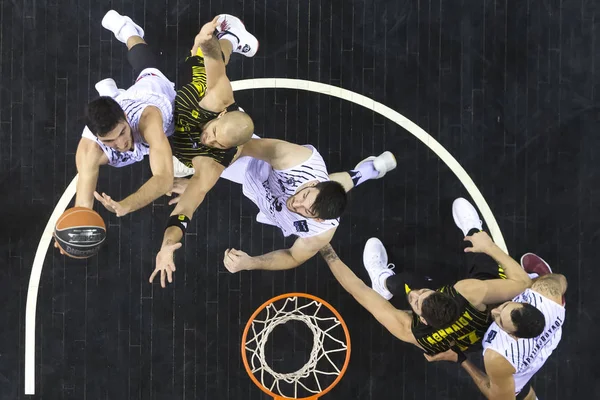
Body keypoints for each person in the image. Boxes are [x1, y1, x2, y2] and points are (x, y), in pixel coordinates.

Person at [149, 135, 397, 287]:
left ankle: (364, 172)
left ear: (317, 218)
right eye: (304, 197)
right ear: (311, 184)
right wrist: (199, 181)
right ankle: (365, 171)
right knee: (188, 158)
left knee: (334, 190)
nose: (296, 204)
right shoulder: (296, 160)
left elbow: (293, 257)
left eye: (306, 211)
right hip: (253, 169)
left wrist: (251, 263)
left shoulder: (321, 230)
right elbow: (239, 148)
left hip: (271, 207)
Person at [318, 197, 533, 355]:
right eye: (423, 293)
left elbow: (358, 289)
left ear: (420, 319)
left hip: (481, 334)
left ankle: (382, 281)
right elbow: (523, 282)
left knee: (400, 284)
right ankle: (473, 230)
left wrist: (324, 248)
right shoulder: (468, 292)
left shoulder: (410, 331)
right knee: (481, 252)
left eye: (415, 301)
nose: (415, 294)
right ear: (445, 294)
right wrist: (488, 246)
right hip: (481, 322)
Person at [75, 10, 177, 218]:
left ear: (125, 117)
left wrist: (126, 205)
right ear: (97, 137)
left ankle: (127, 28)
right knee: (98, 159)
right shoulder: (90, 147)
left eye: (121, 133)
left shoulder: (149, 118)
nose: (121, 144)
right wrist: (72, 233)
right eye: (109, 140)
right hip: (123, 112)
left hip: (154, 95)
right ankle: (112, 95)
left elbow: (164, 178)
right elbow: (83, 205)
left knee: (145, 64)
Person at [424, 254, 567, 400]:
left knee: (512, 390)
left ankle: (531, 278)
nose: (494, 312)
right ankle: (534, 277)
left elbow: (498, 397)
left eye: (499, 320)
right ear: (525, 303)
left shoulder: (498, 355)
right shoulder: (548, 292)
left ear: (513, 335)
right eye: (504, 306)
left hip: (513, 370)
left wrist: (460, 359)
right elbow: (560, 279)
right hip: (546, 343)